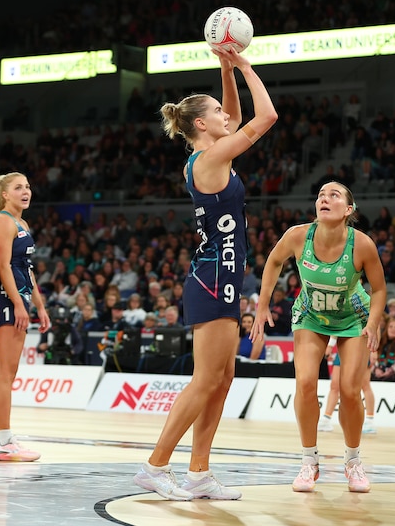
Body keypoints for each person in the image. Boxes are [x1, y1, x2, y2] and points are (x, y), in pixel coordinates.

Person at [133, 45, 277, 501]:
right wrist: (248, 66)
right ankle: (155, 466)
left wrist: (225, 68)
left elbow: (232, 114)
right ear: (200, 124)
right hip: (213, 278)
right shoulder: (211, 160)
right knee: (205, 380)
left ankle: (198, 473)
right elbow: (266, 116)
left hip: (224, 277)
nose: (224, 115)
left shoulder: (211, 153)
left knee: (223, 378)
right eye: (215, 112)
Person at [252, 181, 386, 493]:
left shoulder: (362, 244)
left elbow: (379, 289)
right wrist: (261, 306)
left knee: (350, 390)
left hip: (353, 317)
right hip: (310, 315)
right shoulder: (298, 236)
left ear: (348, 210)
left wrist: (375, 322)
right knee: (305, 382)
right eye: (321, 195)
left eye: (334, 195)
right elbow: (273, 261)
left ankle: (353, 461)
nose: (325, 199)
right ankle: (309, 461)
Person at [0, 173, 50, 462]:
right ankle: (6, 439)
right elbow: (3, 267)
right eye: (18, 187)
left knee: (0, 373)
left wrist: (40, 306)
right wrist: (19, 304)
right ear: (5, 194)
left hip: (19, 298)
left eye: (28, 187)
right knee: (6, 374)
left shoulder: (23, 223)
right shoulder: (3, 221)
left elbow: (26, 269)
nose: (26, 191)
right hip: (7, 299)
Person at [317, 337, 377, 434]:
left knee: (364, 385)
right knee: (335, 385)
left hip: (361, 345)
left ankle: (370, 420)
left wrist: (374, 349)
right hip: (343, 345)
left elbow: (375, 326)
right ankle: (326, 419)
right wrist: (330, 345)